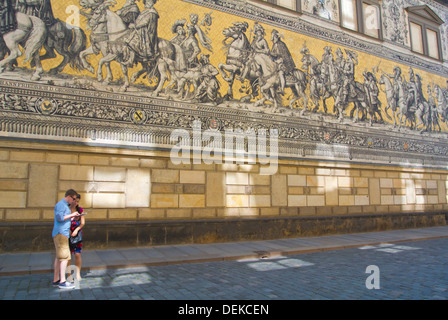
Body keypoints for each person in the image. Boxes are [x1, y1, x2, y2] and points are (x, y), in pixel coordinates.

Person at [52, 189, 80, 289]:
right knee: (64, 257)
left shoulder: (63, 205)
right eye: (73, 199)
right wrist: (72, 215)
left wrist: (72, 218)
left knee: (59, 257)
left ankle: (56, 279)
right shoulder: (61, 205)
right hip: (61, 234)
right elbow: (60, 218)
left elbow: (63, 218)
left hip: (61, 233)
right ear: (68, 196)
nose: (73, 201)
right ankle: (62, 281)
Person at [270, 29, 296, 95]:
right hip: (276, 61)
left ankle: (282, 89)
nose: (272, 39)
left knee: (281, 73)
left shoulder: (280, 44)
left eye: (274, 38)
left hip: (284, 63)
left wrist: (271, 54)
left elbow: (279, 54)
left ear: (276, 37)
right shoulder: (275, 44)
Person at [67, 193, 85, 281]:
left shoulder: (80, 210)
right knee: (68, 256)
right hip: (67, 234)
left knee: (77, 254)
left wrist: (77, 230)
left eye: (78, 201)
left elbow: (82, 223)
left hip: (77, 235)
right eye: (75, 201)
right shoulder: (66, 209)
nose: (76, 203)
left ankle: (77, 273)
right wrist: (69, 231)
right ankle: (69, 274)